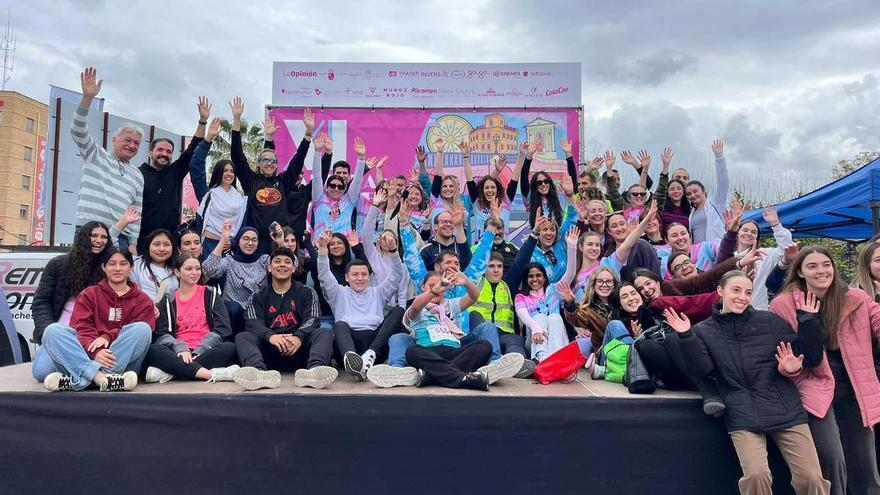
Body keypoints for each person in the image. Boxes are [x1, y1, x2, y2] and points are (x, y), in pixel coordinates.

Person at [669, 272, 830, 495]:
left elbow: (809, 357)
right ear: (720, 291)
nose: (743, 297)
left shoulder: (769, 321)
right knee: (756, 475)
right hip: (742, 411)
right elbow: (702, 370)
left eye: (748, 292)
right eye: (736, 290)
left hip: (784, 406)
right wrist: (686, 336)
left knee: (812, 477)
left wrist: (808, 323)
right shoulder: (704, 330)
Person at [770, 246, 880, 495]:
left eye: (826, 264)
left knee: (864, 461)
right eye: (812, 266)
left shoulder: (856, 298)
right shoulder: (783, 305)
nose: (821, 271)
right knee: (832, 457)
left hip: (854, 387)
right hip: (815, 389)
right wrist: (788, 368)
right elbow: (786, 355)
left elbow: (877, 319)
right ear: (799, 271)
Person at [32, 248, 156, 392]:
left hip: (119, 358)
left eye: (123, 264)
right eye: (112, 264)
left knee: (142, 329)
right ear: (104, 267)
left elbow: (138, 332)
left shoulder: (143, 300)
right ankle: (101, 379)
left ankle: (77, 380)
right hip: (88, 354)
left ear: (131, 268)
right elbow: (81, 328)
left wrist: (107, 337)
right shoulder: (89, 294)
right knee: (53, 331)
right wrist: (95, 351)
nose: (117, 268)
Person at [383, 269, 522, 390]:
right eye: (431, 285)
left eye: (442, 286)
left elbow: (474, 297)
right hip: (428, 352)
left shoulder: (450, 305)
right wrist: (433, 291)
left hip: (456, 351)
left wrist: (466, 281)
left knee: (484, 346)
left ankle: (430, 376)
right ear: (423, 287)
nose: (438, 288)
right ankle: (464, 379)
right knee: (412, 352)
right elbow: (415, 307)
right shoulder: (420, 306)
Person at [232, 247, 338, 390]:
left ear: (293, 268)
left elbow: (312, 318)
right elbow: (253, 323)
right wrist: (271, 337)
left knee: (324, 333)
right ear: (269, 268)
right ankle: (259, 374)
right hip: (270, 349)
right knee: (243, 337)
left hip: (299, 349)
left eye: (287, 262)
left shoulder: (306, 292)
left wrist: (298, 337)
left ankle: (314, 372)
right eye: (277, 261)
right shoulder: (257, 296)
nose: (282, 265)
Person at [71, 67, 144, 255]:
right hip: (90, 231)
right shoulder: (95, 154)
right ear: (114, 140)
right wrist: (87, 98)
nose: (132, 145)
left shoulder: (137, 175)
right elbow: (78, 130)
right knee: (84, 277)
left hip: (122, 237)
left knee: (118, 283)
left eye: (136, 143)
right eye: (127, 140)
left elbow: (136, 210)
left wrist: (134, 243)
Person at [315, 230, 403, 380]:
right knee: (340, 325)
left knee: (398, 311)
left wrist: (394, 252)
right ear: (347, 277)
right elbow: (324, 276)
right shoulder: (338, 293)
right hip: (347, 344)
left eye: (364, 275)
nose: (360, 278)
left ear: (369, 277)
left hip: (375, 344)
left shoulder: (378, 292)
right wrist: (323, 250)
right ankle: (353, 362)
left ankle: (369, 356)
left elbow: (396, 277)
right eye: (355, 275)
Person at [230, 98, 311, 251]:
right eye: (264, 160)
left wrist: (308, 134)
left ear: (277, 165)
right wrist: (236, 121)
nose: (269, 163)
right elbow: (237, 156)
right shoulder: (251, 180)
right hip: (255, 243)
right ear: (258, 163)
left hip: (279, 242)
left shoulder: (283, 182)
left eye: (272, 161)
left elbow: (298, 160)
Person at [143, 255, 239, 383]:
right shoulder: (167, 299)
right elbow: (162, 333)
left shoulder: (211, 293)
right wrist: (181, 348)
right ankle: (211, 373)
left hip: (206, 350)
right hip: (177, 352)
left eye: (198, 269)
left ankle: (173, 372)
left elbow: (223, 329)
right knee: (152, 350)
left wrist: (199, 350)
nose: (195, 273)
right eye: (189, 269)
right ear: (177, 272)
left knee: (230, 347)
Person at [136, 97, 207, 254]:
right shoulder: (137, 174)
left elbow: (193, 147)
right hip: (143, 240)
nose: (164, 154)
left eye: (168, 151)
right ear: (150, 153)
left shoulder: (175, 172)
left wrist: (202, 121)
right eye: (160, 150)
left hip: (170, 240)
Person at [32, 221, 111, 345]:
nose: (99, 240)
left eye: (104, 237)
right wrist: (47, 330)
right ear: (83, 237)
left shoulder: (110, 268)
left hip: (93, 338)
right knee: (43, 365)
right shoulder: (58, 264)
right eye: (94, 235)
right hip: (59, 334)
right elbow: (42, 301)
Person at [188, 118, 247, 257]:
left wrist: (233, 243)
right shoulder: (208, 194)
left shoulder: (241, 198)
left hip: (230, 249)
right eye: (225, 170)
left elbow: (242, 226)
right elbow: (195, 167)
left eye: (232, 171)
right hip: (209, 245)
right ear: (218, 172)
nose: (229, 173)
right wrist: (208, 139)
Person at [202, 225, 269, 331]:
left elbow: (293, 264)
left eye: (254, 240)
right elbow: (209, 269)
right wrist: (223, 240)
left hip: (258, 312)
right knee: (234, 308)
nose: (250, 243)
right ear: (238, 241)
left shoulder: (264, 260)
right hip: (233, 314)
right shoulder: (229, 261)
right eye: (246, 239)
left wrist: (280, 242)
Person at [733, 206, 793, 310]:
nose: (748, 234)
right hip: (732, 311)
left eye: (753, 232)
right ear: (738, 233)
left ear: (758, 237)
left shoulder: (764, 255)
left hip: (757, 311)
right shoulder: (728, 257)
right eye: (745, 230)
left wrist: (776, 225)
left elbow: (786, 248)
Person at [311, 134, 367, 235]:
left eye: (340, 186)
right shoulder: (319, 199)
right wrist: (317, 152)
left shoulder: (349, 201)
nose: (336, 189)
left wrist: (361, 159)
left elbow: (357, 181)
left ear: (344, 188)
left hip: (343, 248)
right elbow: (317, 178)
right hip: (320, 248)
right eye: (332, 186)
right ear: (326, 188)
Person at [363, 190, 409, 309]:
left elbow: (402, 295)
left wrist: (400, 314)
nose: (387, 240)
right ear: (379, 241)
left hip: (391, 310)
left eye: (391, 237)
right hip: (372, 305)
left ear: (396, 242)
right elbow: (366, 235)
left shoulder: (401, 266)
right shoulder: (374, 256)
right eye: (384, 237)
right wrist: (374, 206)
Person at [515, 263, 569, 362]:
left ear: (544, 278)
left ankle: (556, 357)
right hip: (532, 344)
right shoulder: (521, 297)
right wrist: (535, 328)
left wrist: (572, 247)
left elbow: (570, 273)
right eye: (531, 276)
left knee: (554, 317)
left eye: (538, 275)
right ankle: (542, 358)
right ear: (526, 280)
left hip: (556, 344)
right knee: (539, 317)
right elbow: (522, 314)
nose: (535, 279)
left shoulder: (553, 290)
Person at [687, 139, 730, 243]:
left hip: (716, 250)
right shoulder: (692, 214)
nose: (692, 195)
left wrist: (719, 157)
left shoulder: (716, 204)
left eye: (695, 191)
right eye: (688, 194)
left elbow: (723, 183)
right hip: (698, 254)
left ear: (703, 190)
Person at [129, 229, 179, 303]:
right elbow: (110, 250)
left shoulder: (177, 270)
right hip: (140, 311)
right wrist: (123, 222)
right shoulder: (135, 263)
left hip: (166, 313)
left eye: (166, 245)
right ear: (148, 246)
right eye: (156, 244)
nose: (161, 249)